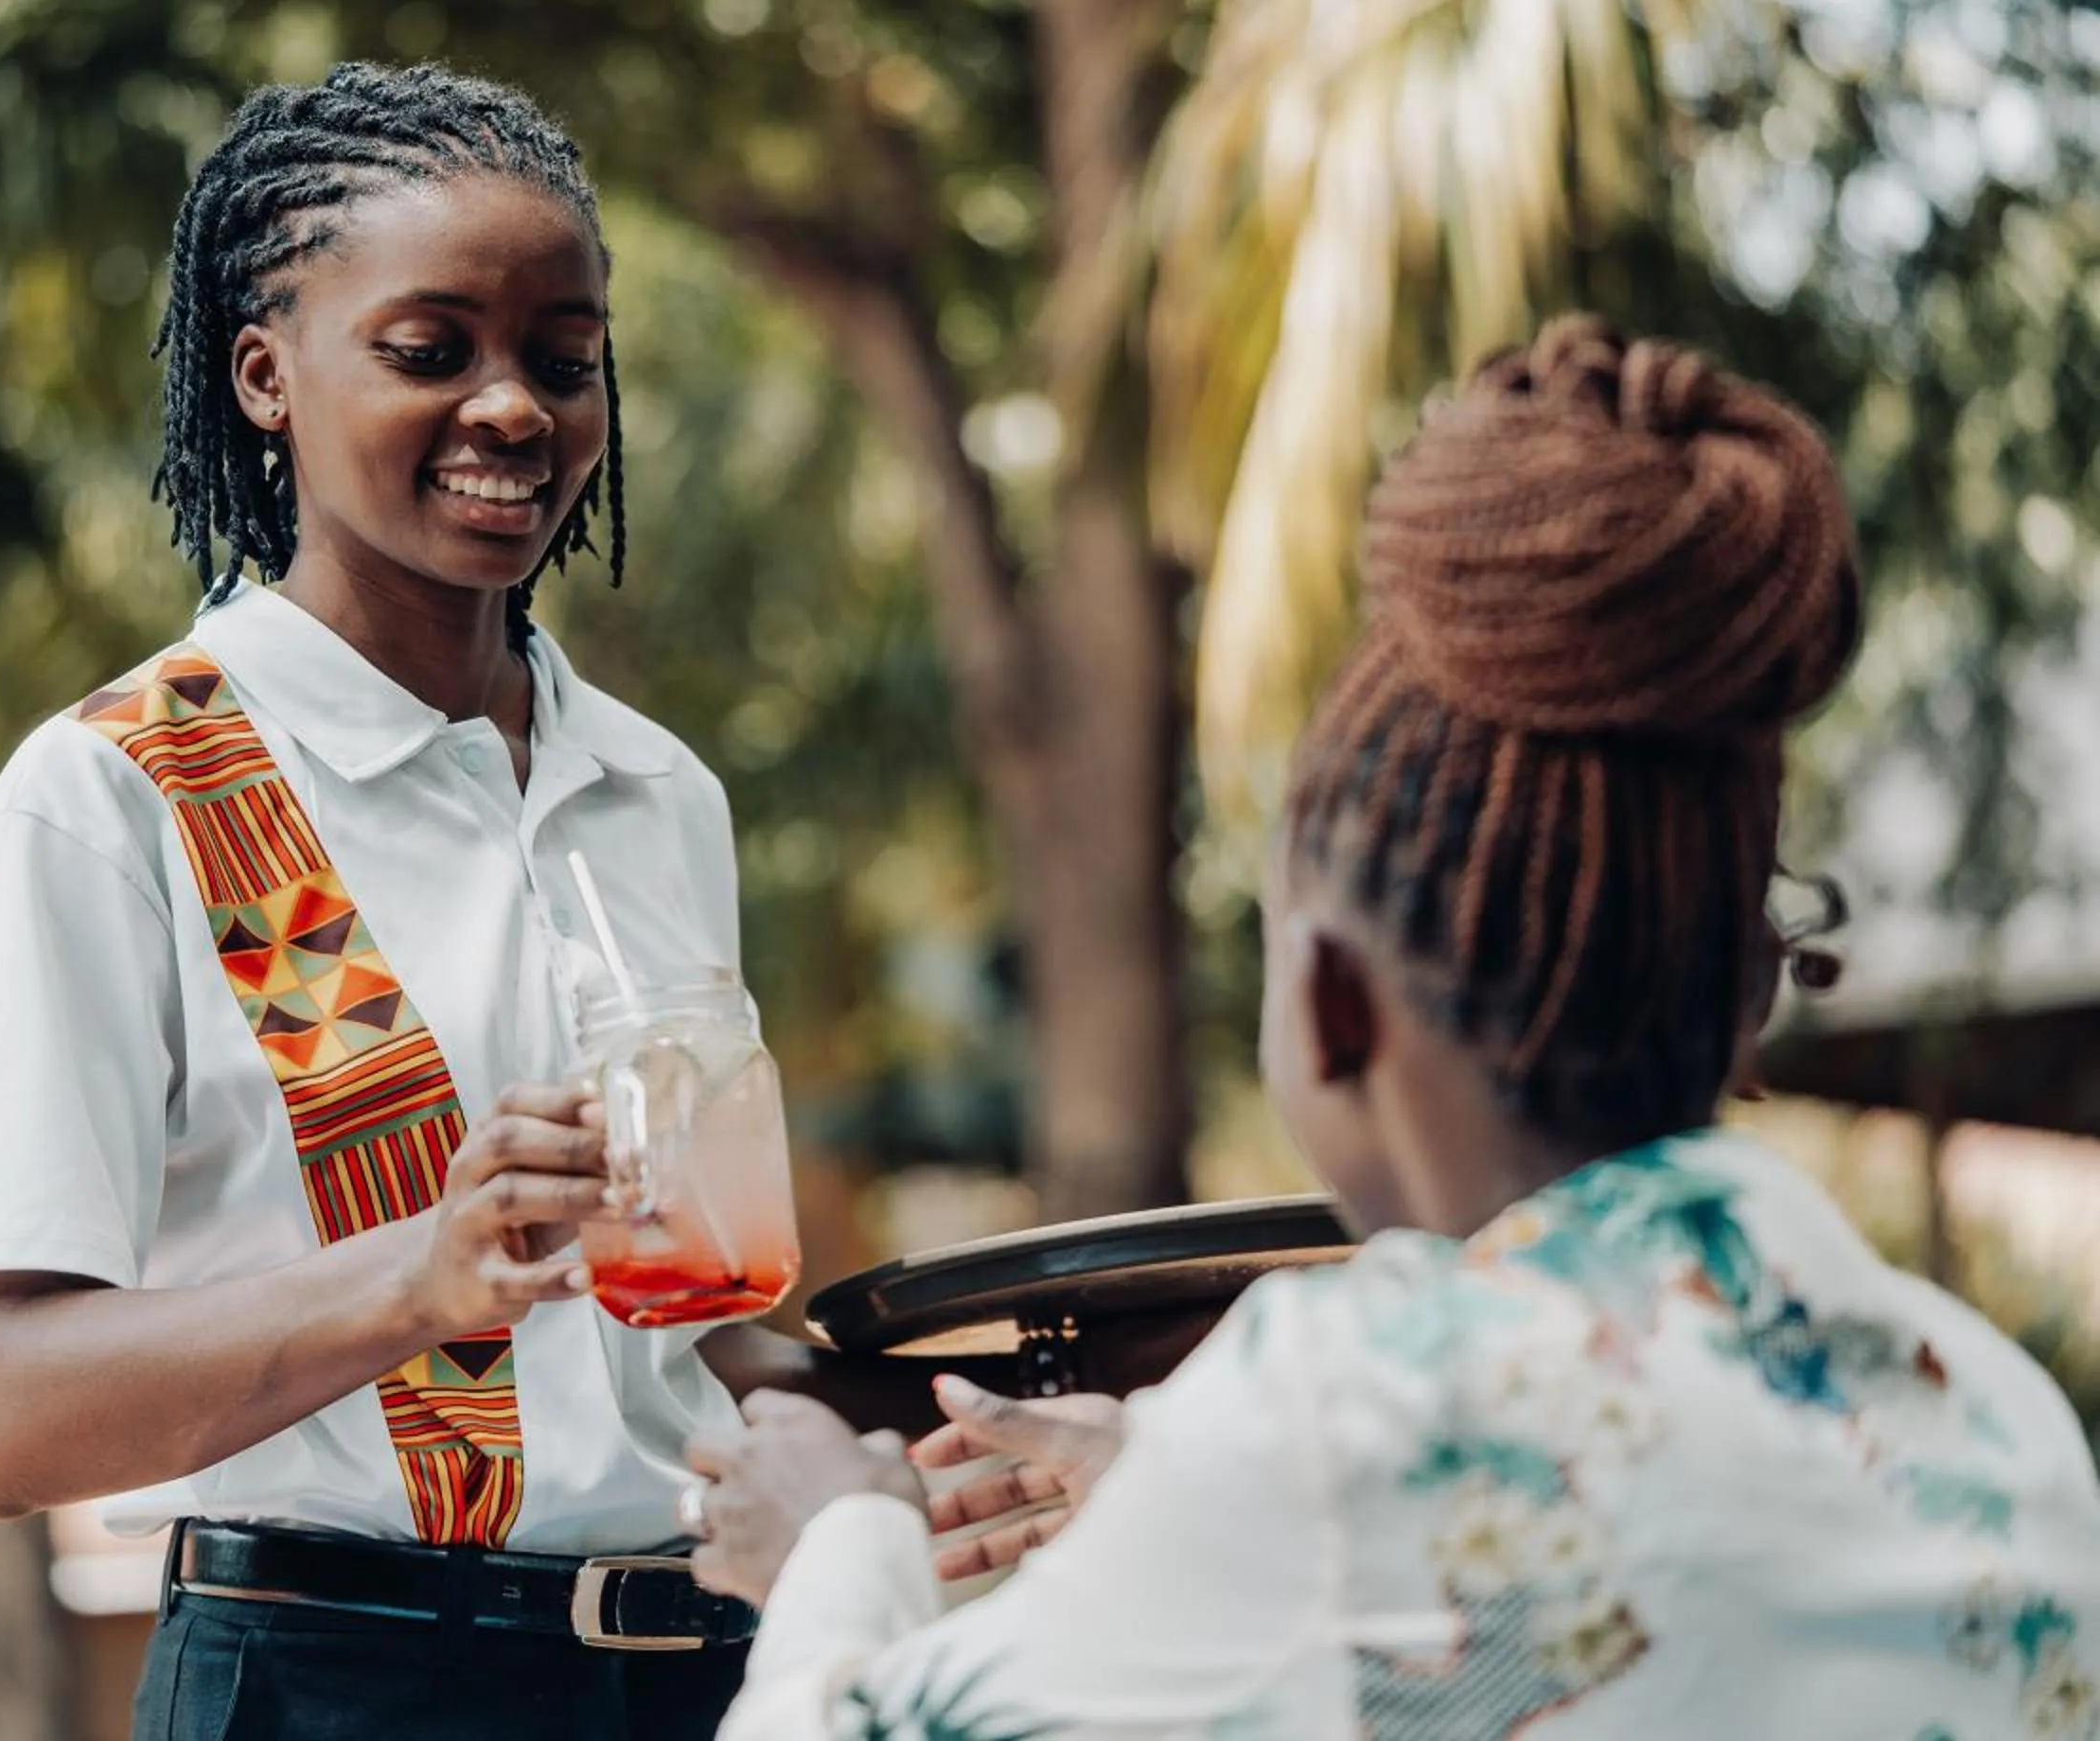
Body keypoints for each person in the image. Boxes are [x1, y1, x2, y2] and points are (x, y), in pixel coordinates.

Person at [678, 318, 2100, 1738]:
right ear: (1749, 979)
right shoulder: (1991, 1412)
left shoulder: (1331, 1428)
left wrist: (833, 1554)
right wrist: (1173, 1488)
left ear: (1337, 1004)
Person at [0, 61, 811, 1740]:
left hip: (701, 1678)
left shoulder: (661, 796)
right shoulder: (122, 793)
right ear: (266, 376)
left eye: (564, 360)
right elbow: (1, 1417)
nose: (517, 409)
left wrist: (997, 1381)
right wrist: (413, 1281)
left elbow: (668, 1344)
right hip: (334, 1683)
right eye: (432, 352)